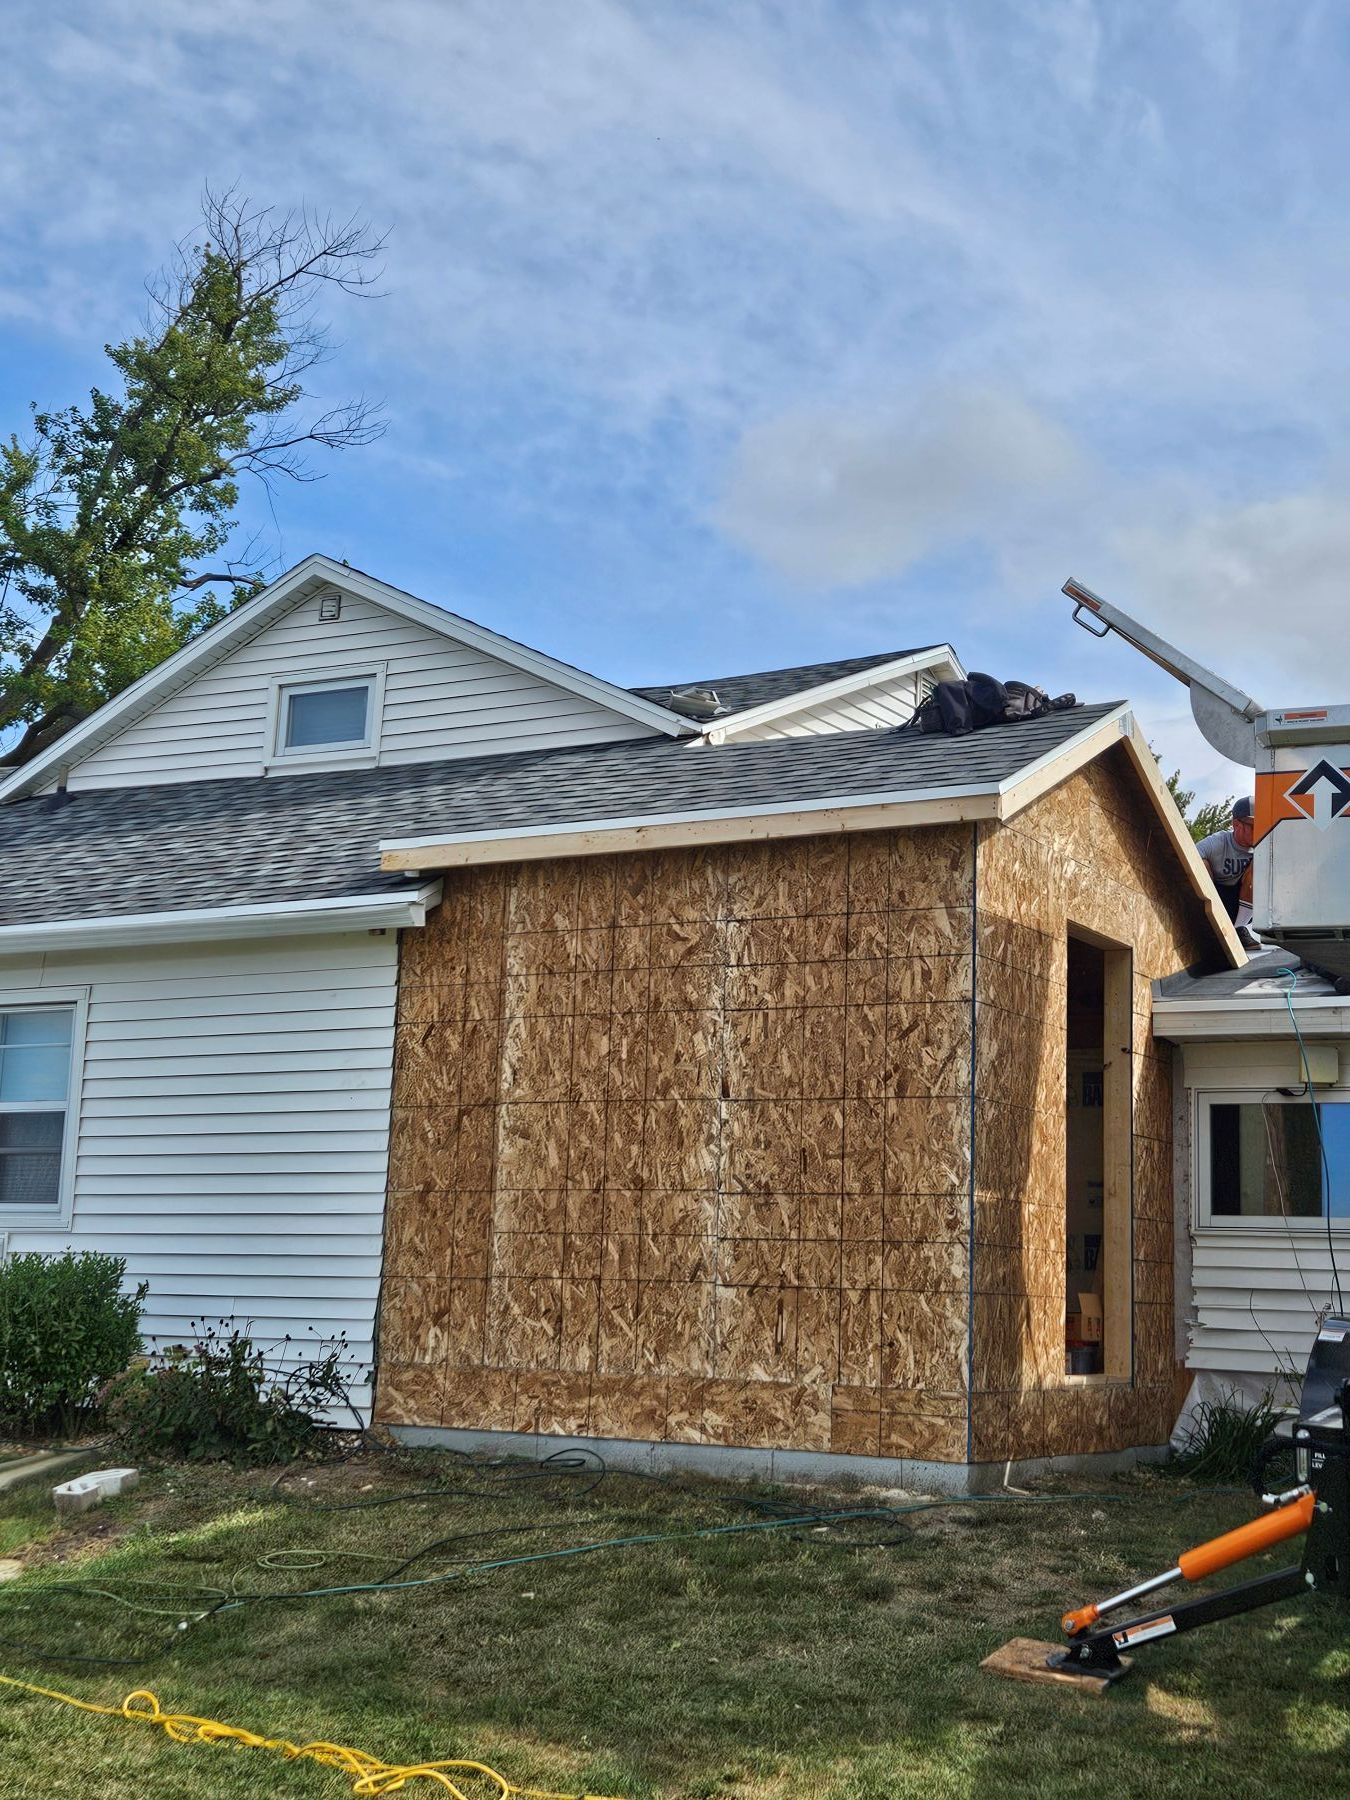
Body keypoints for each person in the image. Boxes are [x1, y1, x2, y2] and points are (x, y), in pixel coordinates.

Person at [1196, 797, 1259, 950]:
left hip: (1243, 907)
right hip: (1216, 899)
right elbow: (1185, 858)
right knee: (1199, 863)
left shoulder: (1262, 846)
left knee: (1261, 864)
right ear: (1236, 824)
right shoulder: (1217, 842)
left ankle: (1239, 930)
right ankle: (1208, 925)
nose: (1259, 831)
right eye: (1253, 827)